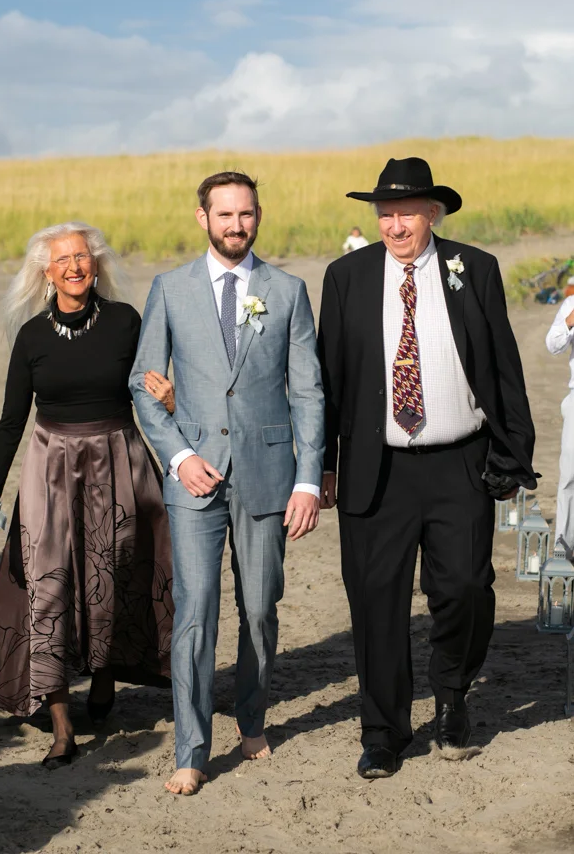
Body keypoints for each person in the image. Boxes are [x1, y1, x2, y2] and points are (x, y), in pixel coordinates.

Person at [318, 157, 537, 779]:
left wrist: (512, 451)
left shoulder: (477, 269)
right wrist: (322, 464)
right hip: (375, 466)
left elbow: (502, 366)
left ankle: (451, 697)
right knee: (376, 601)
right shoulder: (346, 277)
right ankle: (383, 731)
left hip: (458, 462)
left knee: (466, 588)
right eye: (384, 214)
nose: (394, 225)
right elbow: (326, 379)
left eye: (406, 213)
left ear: (432, 214)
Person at [130, 171, 325, 796]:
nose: (235, 226)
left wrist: (308, 481)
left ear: (258, 216)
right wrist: (179, 455)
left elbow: (308, 392)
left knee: (261, 607)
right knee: (194, 611)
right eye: (224, 215)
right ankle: (190, 747)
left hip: (268, 474)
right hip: (194, 478)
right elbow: (143, 381)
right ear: (202, 219)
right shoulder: (170, 288)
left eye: (245, 215)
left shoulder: (288, 291)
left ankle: (252, 717)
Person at [0, 222, 174, 769]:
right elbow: (10, 423)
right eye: (63, 260)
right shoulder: (31, 336)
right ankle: (62, 726)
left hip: (118, 460)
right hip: (49, 469)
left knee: (114, 574)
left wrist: (176, 408)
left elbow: (153, 392)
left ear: (97, 263)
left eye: (82, 256)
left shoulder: (127, 322)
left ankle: (104, 676)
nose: (74, 267)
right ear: (46, 271)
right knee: (47, 587)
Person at [545, 296, 574, 555]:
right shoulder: (571, 303)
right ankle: (564, 546)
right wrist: (571, 319)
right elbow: (552, 345)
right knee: (570, 474)